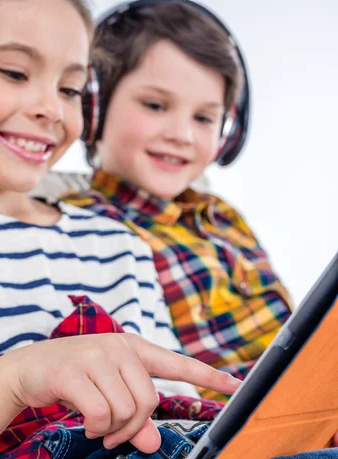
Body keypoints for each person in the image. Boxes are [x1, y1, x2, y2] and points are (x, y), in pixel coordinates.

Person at [0, 2, 337, 459]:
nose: (51, 107)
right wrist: (17, 379)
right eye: (16, 73)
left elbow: (169, 419)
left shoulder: (115, 241)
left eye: (72, 87)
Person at [62, 0, 293, 404]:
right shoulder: (81, 226)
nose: (182, 135)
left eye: (204, 118)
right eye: (155, 105)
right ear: (91, 106)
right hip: (222, 430)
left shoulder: (222, 217)